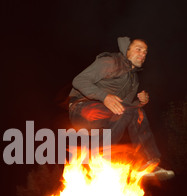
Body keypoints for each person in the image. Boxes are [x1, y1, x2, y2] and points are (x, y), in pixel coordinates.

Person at [68, 36, 174, 180]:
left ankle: (148, 162)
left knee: (133, 112)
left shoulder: (133, 81)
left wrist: (140, 102)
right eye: (138, 49)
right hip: (82, 108)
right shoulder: (111, 62)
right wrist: (104, 96)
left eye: (145, 52)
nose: (142, 54)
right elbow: (79, 80)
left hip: (103, 116)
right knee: (125, 111)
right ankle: (98, 156)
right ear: (127, 50)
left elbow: (127, 109)